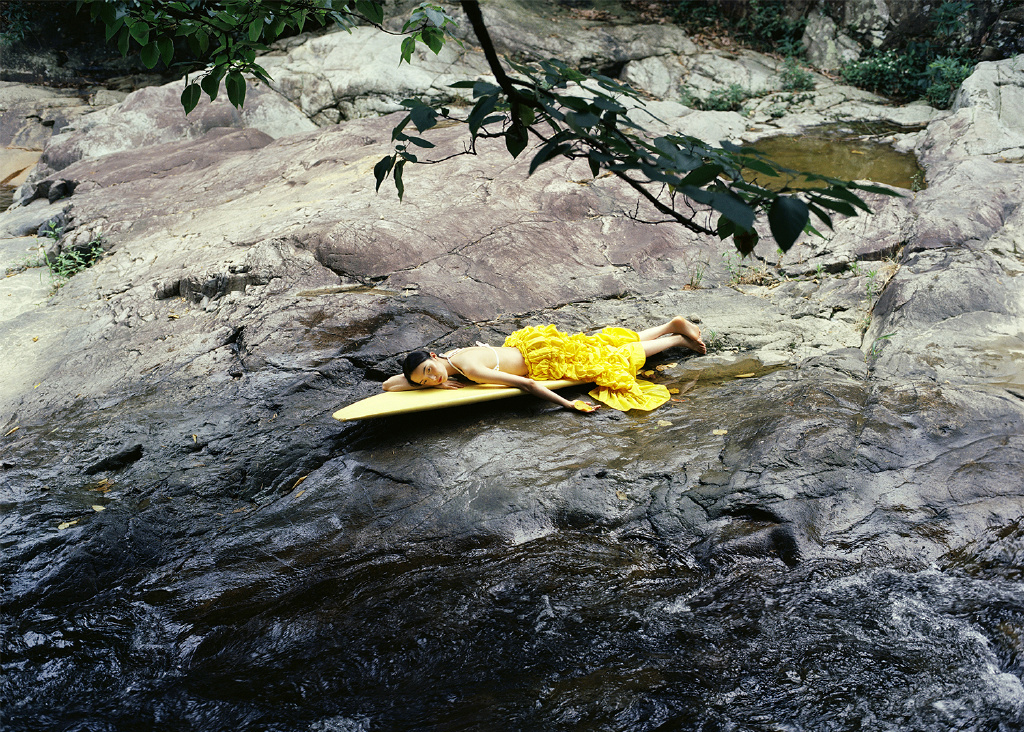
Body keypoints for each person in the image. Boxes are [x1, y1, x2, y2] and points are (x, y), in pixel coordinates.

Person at [382, 316, 706, 413]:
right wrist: (427, 379)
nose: (432, 380)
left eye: (428, 371)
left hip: (543, 360)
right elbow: (389, 384)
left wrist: (568, 403)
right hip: (528, 344)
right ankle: (668, 327)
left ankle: (676, 339)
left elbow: (528, 385)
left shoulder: (469, 369)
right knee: (602, 343)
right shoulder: (450, 357)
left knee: (611, 359)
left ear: (433, 357)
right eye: (424, 382)